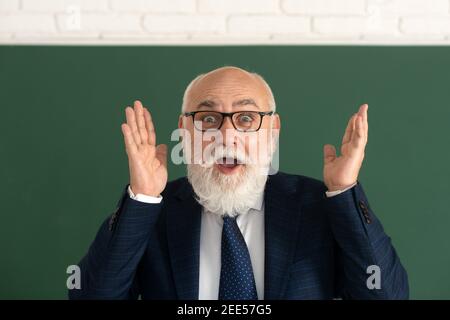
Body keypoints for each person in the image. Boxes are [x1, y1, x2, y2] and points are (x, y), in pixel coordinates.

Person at [69, 66, 408, 300]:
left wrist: (344, 191)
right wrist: (142, 198)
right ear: (184, 132)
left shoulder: (318, 206)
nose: (226, 134)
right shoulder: (153, 212)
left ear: (272, 131)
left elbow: (387, 295)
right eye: (207, 119)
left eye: (246, 118)